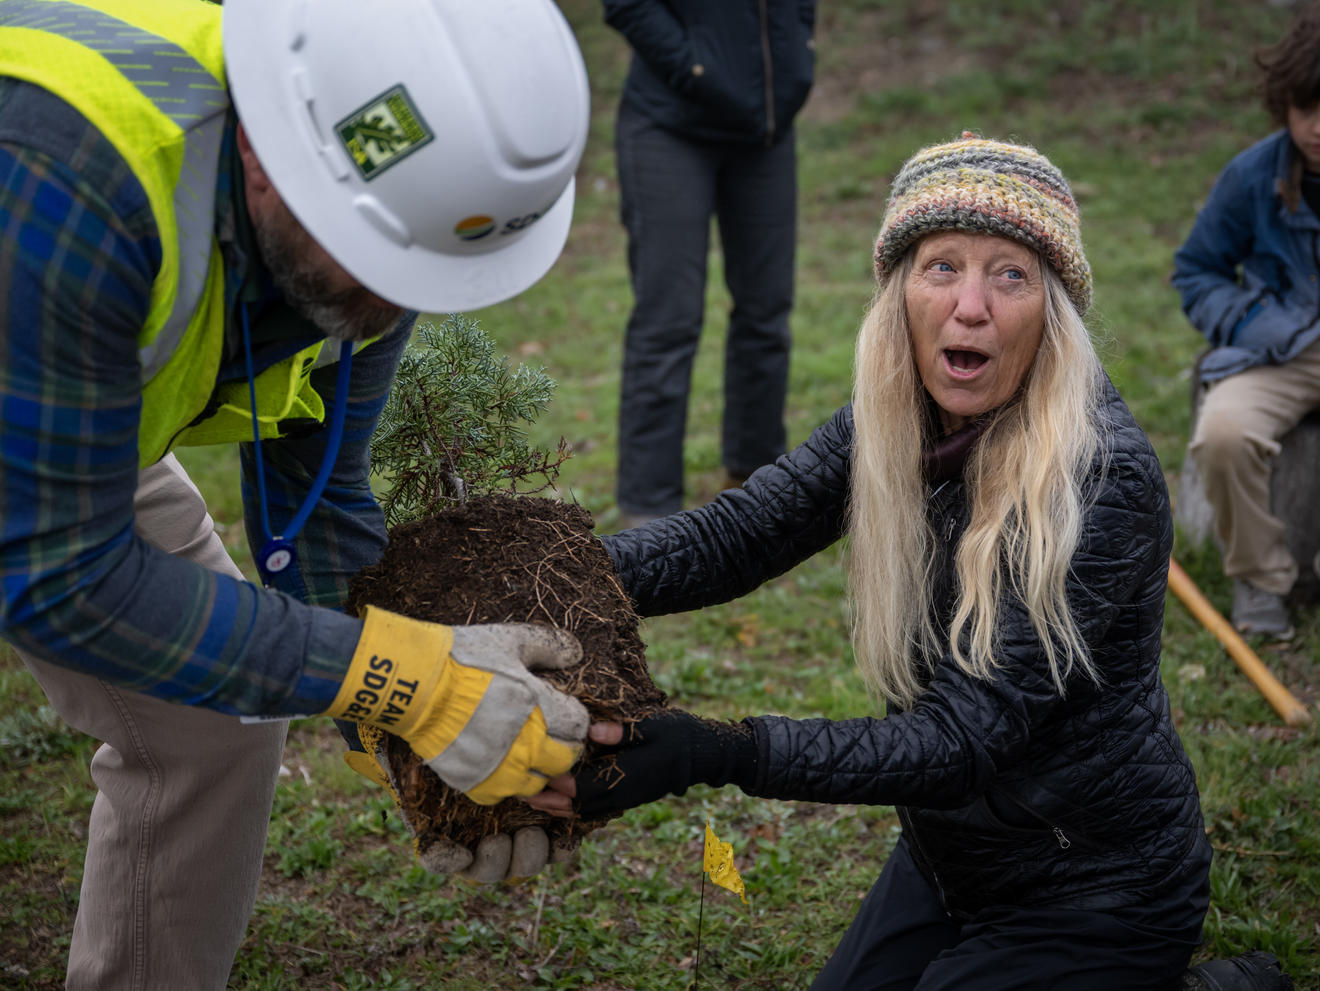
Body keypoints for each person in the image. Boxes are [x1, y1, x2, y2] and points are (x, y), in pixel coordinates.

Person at [528, 135, 1216, 989]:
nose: (971, 306)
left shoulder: (1097, 477)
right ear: (899, 293)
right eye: (941, 266)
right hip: (949, 858)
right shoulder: (895, 419)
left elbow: (960, 738)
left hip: (1098, 884)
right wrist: (538, 575)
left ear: (1053, 312)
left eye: (1011, 274)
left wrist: (715, 750)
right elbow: (733, 536)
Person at [0, 0, 593, 986]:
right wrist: (397, 677)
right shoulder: (68, 174)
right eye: (380, 263)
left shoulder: (376, 223)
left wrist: (418, 711)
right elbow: (58, 578)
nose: (390, 304)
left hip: (67, 409)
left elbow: (316, 502)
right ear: (270, 154)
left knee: (210, 719)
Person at [603, 0, 817, 528]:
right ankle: (648, 507)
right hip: (669, 124)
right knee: (668, 318)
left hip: (766, 130)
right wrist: (693, 66)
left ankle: (759, 482)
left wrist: (798, 57)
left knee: (767, 311)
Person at [1171, 1, 1320, 640]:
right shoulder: (1253, 174)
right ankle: (1260, 582)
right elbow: (1195, 271)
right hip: (1282, 350)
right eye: (1308, 109)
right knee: (1224, 434)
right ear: (1284, 106)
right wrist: (1254, 319)